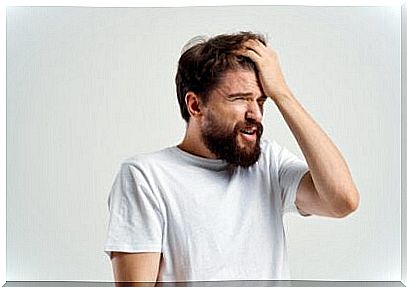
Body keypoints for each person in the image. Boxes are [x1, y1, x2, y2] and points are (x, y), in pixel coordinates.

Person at [104, 31, 360, 284]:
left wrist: (283, 94)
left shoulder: (268, 162)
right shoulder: (146, 177)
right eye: (240, 99)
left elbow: (342, 201)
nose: (256, 115)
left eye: (261, 101)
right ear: (195, 105)